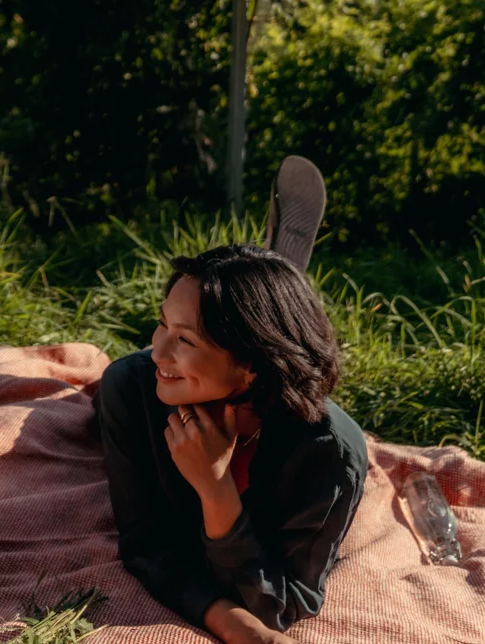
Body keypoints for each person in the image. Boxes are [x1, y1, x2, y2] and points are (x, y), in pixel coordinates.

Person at [93, 244, 368, 644]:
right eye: (161, 324)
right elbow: (148, 545)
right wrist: (232, 624)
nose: (160, 351)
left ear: (252, 363)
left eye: (185, 340)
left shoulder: (329, 454)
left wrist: (215, 489)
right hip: (140, 391)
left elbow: (285, 602)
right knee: (96, 401)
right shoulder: (133, 391)